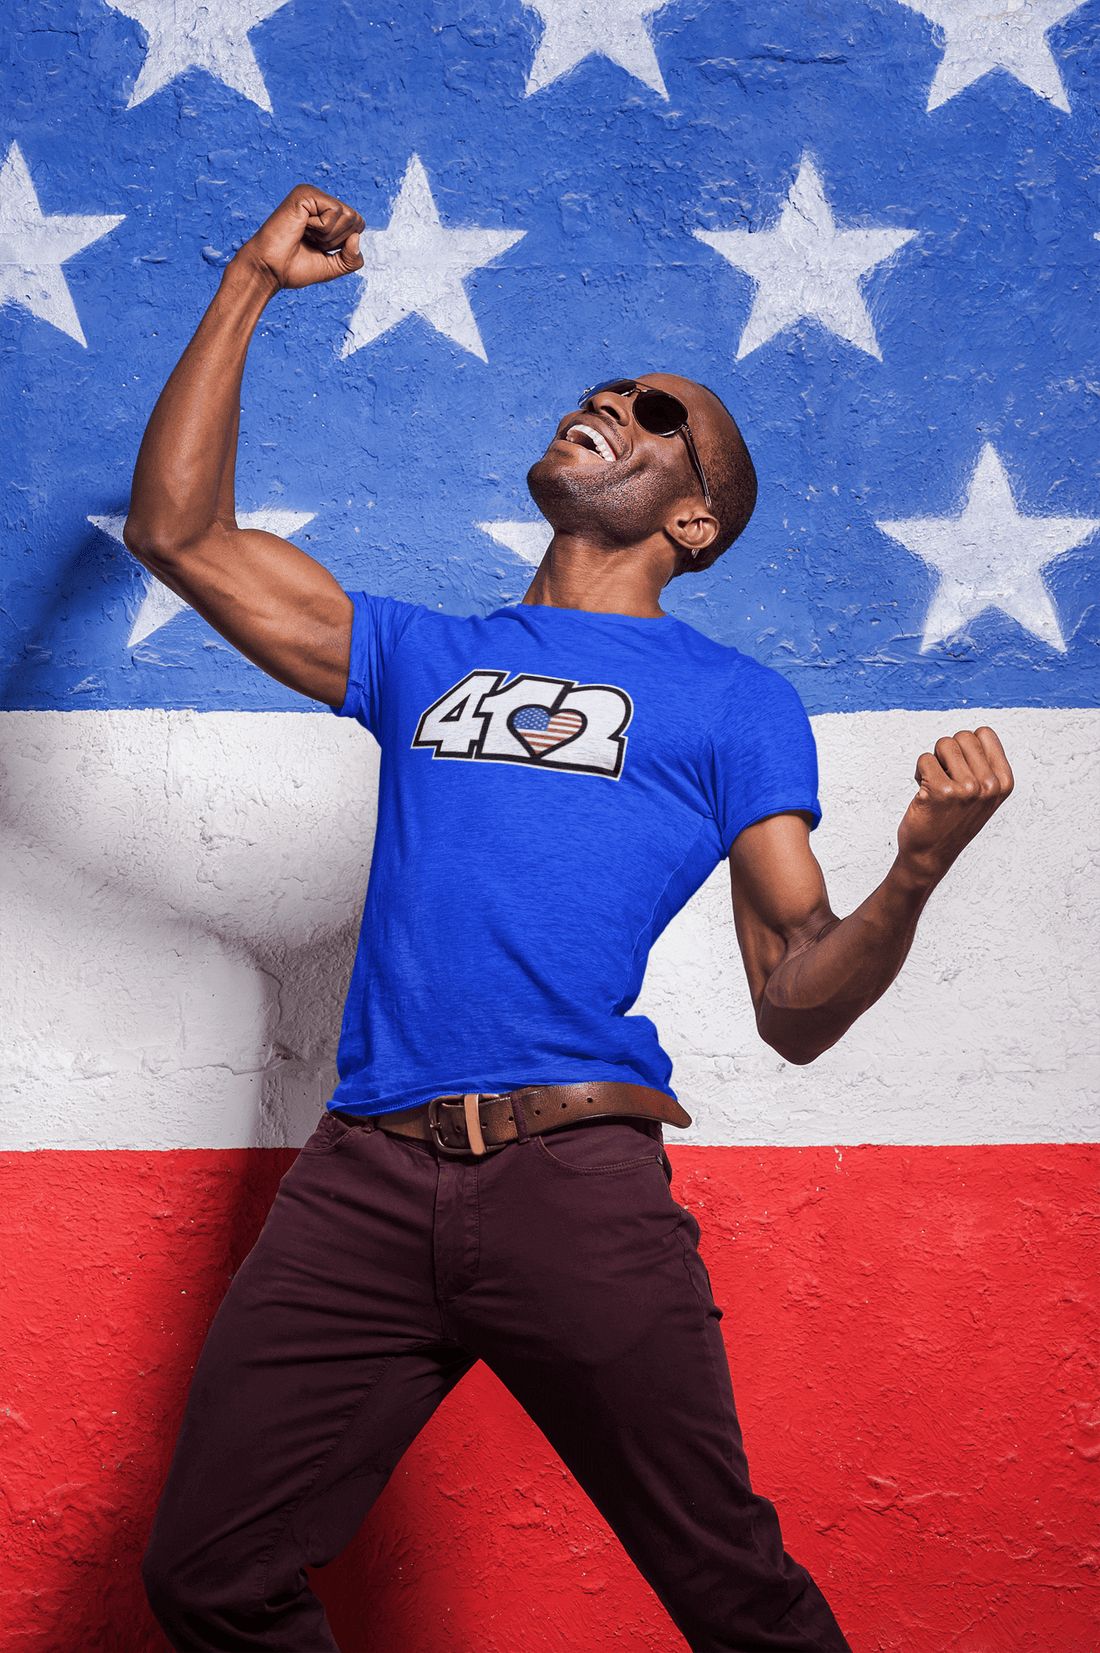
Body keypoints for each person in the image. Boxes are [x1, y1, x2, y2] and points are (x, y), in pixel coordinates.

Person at [125, 187, 1013, 1653]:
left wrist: (915, 870)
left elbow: (794, 996)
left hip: (571, 1180)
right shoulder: (422, 652)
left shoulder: (733, 703)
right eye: (606, 389)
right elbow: (181, 532)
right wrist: (247, 284)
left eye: (659, 413)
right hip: (362, 1181)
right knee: (207, 1576)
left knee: (736, 1599)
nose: (614, 399)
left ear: (693, 517)